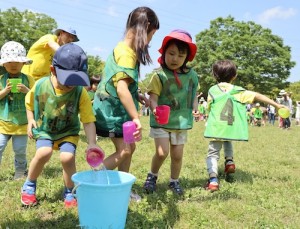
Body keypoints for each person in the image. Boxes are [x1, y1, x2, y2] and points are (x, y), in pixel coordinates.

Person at [21, 43, 102, 208]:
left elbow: (87, 120)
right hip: (46, 130)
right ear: (53, 70)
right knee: (44, 152)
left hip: (68, 132)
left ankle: (69, 191)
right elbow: (28, 102)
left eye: (76, 80)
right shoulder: (41, 85)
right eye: (67, 81)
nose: (71, 85)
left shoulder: (80, 92)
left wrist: (92, 143)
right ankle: (29, 185)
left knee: (68, 157)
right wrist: (30, 119)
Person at [92, 7, 160, 201]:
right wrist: (136, 117)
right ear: (146, 27)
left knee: (130, 148)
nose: (150, 40)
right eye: (152, 34)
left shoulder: (124, 49)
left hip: (119, 112)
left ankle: (122, 187)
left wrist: (136, 95)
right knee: (124, 150)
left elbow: (123, 85)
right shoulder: (126, 54)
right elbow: (121, 89)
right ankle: (92, 179)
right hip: (111, 114)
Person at [204, 60, 286, 191]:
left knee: (213, 153)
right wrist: (276, 105)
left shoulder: (213, 90)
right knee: (227, 140)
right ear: (234, 76)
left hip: (217, 127)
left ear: (214, 75)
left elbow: (209, 107)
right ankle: (229, 161)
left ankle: (213, 180)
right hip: (231, 125)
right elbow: (257, 96)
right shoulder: (238, 91)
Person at [143, 29, 199, 195]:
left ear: (187, 58)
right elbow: (153, 98)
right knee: (162, 152)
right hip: (161, 121)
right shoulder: (158, 76)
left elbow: (194, 93)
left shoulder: (192, 76)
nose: (175, 59)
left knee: (177, 155)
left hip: (180, 121)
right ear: (164, 52)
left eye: (181, 56)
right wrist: (154, 109)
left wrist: (195, 108)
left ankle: (174, 181)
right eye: (172, 53)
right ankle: (152, 176)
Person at [0, 41, 35, 180]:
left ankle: (20, 171)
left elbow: (36, 98)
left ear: (23, 63)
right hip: (3, 123)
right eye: (9, 62)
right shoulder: (2, 79)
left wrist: (26, 90)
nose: (13, 64)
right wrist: (5, 91)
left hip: (22, 124)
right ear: (3, 64)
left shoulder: (29, 79)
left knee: (20, 150)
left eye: (16, 62)